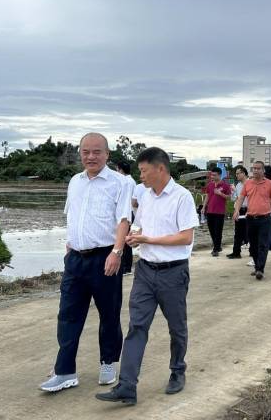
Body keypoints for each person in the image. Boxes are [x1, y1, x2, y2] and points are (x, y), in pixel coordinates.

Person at [95, 147, 199, 405]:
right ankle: (127, 386)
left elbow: (186, 237)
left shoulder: (182, 197)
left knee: (177, 327)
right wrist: (133, 237)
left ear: (160, 169)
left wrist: (149, 239)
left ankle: (177, 371)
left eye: (143, 171)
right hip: (145, 271)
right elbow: (138, 225)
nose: (140, 176)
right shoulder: (146, 196)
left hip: (173, 273)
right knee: (137, 327)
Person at [41, 133, 131, 393]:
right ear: (80, 153)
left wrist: (117, 251)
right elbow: (73, 215)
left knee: (109, 313)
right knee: (68, 315)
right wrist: (69, 247)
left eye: (96, 152)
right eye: (85, 152)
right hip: (75, 259)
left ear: (107, 154)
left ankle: (108, 361)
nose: (90, 157)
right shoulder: (75, 181)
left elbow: (123, 219)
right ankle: (65, 371)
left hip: (106, 257)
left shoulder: (120, 183)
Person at [232, 161, 271, 280]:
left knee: (263, 244)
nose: (256, 170)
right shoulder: (248, 184)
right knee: (252, 245)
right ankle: (257, 266)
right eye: (254, 168)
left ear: (263, 170)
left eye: (258, 168)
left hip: (265, 218)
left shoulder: (269, 184)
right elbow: (241, 197)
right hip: (251, 219)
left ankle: (260, 269)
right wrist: (237, 210)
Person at [202, 167, 232, 256]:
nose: (212, 176)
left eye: (214, 175)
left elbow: (229, 197)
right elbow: (207, 196)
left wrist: (220, 194)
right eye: (212, 175)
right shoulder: (210, 185)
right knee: (211, 230)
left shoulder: (225, 185)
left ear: (219, 175)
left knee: (218, 231)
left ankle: (216, 249)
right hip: (210, 211)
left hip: (220, 212)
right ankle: (218, 246)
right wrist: (204, 207)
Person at [117, 161, 137, 275]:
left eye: (117, 170)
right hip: (129, 213)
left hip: (127, 214)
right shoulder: (131, 181)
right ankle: (126, 266)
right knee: (125, 241)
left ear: (120, 170)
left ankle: (126, 267)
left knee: (125, 241)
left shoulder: (126, 181)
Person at [227, 166, 249, 259]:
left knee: (249, 232)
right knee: (238, 232)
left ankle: (253, 252)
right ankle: (236, 252)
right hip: (239, 209)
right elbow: (235, 199)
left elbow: (252, 199)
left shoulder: (250, 183)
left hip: (249, 209)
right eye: (236, 174)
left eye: (238, 173)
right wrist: (236, 210)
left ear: (243, 173)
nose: (236, 175)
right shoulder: (238, 185)